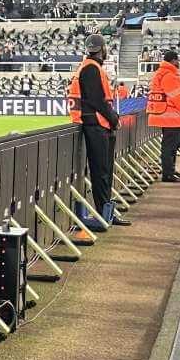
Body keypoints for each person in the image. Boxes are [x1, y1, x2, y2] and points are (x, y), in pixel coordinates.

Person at [68, 34, 127, 227]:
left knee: (104, 171)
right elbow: (97, 101)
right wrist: (114, 118)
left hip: (98, 124)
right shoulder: (91, 69)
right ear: (102, 49)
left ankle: (106, 211)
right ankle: (104, 213)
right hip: (97, 125)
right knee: (101, 172)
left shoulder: (88, 67)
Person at [146, 49, 180, 182]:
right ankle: (168, 174)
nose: (179, 62)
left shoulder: (163, 73)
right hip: (171, 117)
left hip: (166, 115)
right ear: (173, 60)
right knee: (169, 146)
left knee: (171, 146)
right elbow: (177, 98)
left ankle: (171, 170)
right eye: (177, 60)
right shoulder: (169, 75)